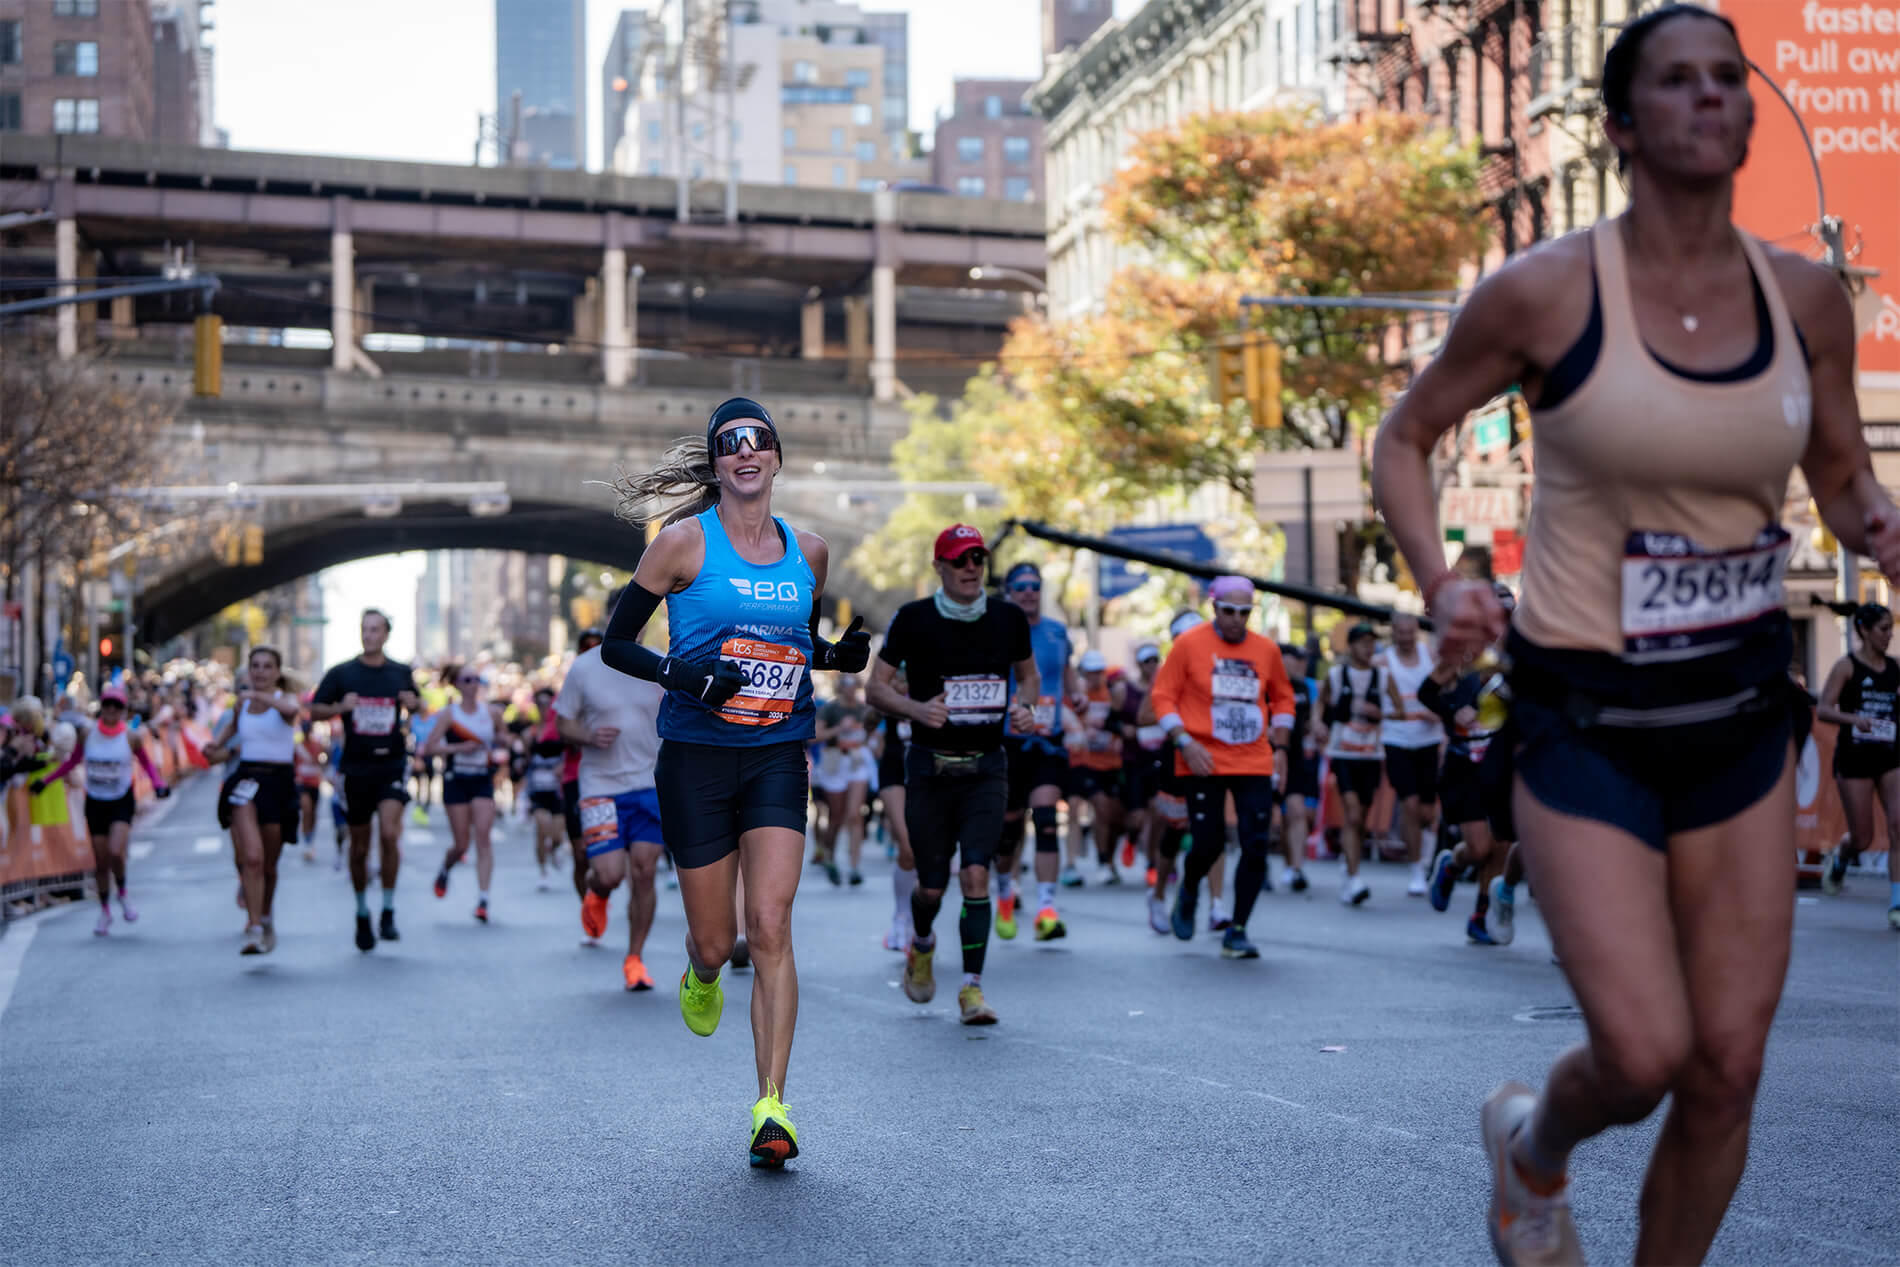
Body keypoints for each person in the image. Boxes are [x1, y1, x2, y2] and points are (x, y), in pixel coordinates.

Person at [1370, 8, 1900, 1261]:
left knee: (1723, 1068)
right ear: (1618, 125)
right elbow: (1403, 436)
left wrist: (1878, 522)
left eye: (1728, 78)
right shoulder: (1545, 291)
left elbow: (1836, 471)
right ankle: (1533, 1148)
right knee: (1647, 1052)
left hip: (1734, 715)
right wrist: (1443, 577)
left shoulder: (1807, 297)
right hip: (1583, 720)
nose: (1711, 98)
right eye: (1676, 81)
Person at [600, 397, 870, 1168]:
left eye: (759, 442)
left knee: (774, 926)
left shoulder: (808, 551)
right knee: (720, 942)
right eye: (731, 444)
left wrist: (836, 659)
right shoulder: (681, 544)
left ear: (778, 457)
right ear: (717, 463)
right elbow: (618, 645)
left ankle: (771, 1107)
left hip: (780, 750)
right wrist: (685, 674)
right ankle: (700, 968)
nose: (746, 453)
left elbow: (787, 643)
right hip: (697, 758)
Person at [868, 523, 1038, 1025]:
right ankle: (921, 943)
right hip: (929, 769)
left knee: (977, 873)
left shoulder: (1008, 618)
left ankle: (971, 988)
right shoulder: (914, 619)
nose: (971, 569)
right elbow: (875, 690)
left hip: (987, 768)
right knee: (932, 886)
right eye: (960, 560)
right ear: (939, 566)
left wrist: (1026, 706)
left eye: (978, 560)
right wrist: (917, 711)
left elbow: (1027, 676)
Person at [1150, 577, 1296, 960]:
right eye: (1228, 611)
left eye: (1244, 613)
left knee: (1257, 843)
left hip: (1253, 758)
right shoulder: (1188, 644)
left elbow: (1283, 698)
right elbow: (1163, 697)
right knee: (1209, 842)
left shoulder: (1265, 650)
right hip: (1202, 758)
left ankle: (1238, 928)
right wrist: (1184, 741)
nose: (1236, 620)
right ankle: (1189, 887)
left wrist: (1281, 745)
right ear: (1214, 608)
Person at [556, 632, 667, 991]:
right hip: (600, 787)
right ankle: (597, 892)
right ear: (612, 618)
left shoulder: (658, 662)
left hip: (649, 784)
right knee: (609, 874)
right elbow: (563, 722)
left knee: (645, 871)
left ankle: (635, 960)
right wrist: (588, 737)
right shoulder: (586, 666)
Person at [311, 609, 422, 953]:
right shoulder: (342, 673)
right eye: (364, 629)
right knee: (359, 847)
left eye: (375, 630)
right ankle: (362, 913)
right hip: (356, 768)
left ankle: (387, 910)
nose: (369, 635)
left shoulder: (400, 672)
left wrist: (413, 702)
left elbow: (418, 705)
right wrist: (339, 708)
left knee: (389, 834)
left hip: (391, 763)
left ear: (386, 635)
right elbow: (315, 710)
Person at [1420, 586, 1518, 946]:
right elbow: (1425, 693)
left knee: (1501, 845)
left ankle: (1480, 914)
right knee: (1478, 849)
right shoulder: (1462, 655)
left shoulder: (1518, 658)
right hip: (1464, 764)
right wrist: (1452, 711)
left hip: (1501, 761)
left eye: (1508, 616)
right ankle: (1453, 864)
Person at [31, 684, 170, 936]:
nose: (111, 711)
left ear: (123, 711)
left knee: (117, 852)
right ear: (101, 708)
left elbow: (147, 764)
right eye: (107, 705)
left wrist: (159, 785)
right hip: (95, 800)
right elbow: (72, 762)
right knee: (101, 860)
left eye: (117, 706)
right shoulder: (87, 734)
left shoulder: (131, 736)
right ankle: (105, 910)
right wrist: (46, 781)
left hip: (121, 799)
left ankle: (124, 894)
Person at [993, 561, 1080, 942]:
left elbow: (1065, 672)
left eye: (1034, 586)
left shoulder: (1058, 632)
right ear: (1009, 592)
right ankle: (1005, 894)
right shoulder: (1000, 629)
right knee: (1009, 826)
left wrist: (1076, 695)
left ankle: (1046, 908)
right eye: (1021, 587)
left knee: (1046, 819)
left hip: (1048, 740)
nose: (1029, 592)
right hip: (1009, 740)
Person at [203, 648, 301, 954]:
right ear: (248, 670)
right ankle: (255, 926)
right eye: (255, 666)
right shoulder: (241, 706)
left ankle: (267, 915)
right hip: (246, 779)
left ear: (277, 671)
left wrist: (258, 697)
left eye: (267, 667)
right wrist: (213, 747)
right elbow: (224, 739)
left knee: (270, 865)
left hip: (279, 782)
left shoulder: (285, 701)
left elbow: (289, 712)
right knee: (253, 858)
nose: (260, 672)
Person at [1816, 603, 1900, 928]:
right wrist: (1855, 720)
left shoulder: (1894, 668)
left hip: (1890, 754)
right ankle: (1841, 859)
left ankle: (1896, 903)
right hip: (1855, 756)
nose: (1889, 635)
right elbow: (1823, 709)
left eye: (1891, 628)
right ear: (1864, 630)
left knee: (1897, 826)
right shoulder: (1846, 666)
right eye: (1883, 629)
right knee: (1863, 838)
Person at [424, 665, 500, 924]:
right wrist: (459, 748)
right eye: (466, 680)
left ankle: (483, 899)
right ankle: (446, 868)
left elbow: (504, 738)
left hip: (481, 779)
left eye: (475, 679)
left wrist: (506, 748)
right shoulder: (449, 714)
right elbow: (429, 748)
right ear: (457, 684)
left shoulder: (490, 712)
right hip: (456, 780)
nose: (472, 684)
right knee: (462, 844)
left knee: (483, 837)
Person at [1315, 624, 1385, 906]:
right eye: (1363, 643)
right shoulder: (1335, 674)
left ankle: (1348, 863)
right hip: (1343, 752)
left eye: (1372, 643)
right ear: (1351, 645)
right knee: (1353, 814)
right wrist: (1319, 722)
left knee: (1362, 818)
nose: (1368, 649)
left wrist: (1378, 712)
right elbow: (1319, 704)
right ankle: (1354, 879)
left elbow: (1399, 712)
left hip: (1371, 754)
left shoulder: (1382, 677)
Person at [1379, 612, 1444, 896]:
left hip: (1428, 740)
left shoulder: (1430, 655)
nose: (1404, 637)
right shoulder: (1383, 661)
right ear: (1392, 632)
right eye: (1399, 632)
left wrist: (1439, 712)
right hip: (1396, 739)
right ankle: (1416, 868)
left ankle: (1428, 860)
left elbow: (1447, 689)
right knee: (1410, 803)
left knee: (1428, 811)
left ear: (1416, 631)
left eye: (1409, 632)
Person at [1066, 649, 1125, 886]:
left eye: (1099, 671)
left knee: (1110, 814)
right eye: (1090, 672)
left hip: (1110, 763)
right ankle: (1080, 863)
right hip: (1083, 762)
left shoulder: (1111, 694)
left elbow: (1121, 721)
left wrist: (1116, 731)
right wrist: (1081, 728)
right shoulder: (1076, 693)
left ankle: (1107, 860)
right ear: (1083, 672)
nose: (1095, 676)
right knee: (1077, 808)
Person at [812, 676, 874, 886]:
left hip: (857, 761)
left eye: (853, 685)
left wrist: (869, 740)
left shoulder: (864, 710)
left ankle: (854, 867)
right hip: (834, 761)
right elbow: (814, 736)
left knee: (855, 815)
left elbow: (872, 734)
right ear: (840, 687)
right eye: (845, 685)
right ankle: (830, 857)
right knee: (836, 817)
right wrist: (840, 729)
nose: (849, 689)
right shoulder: (830, 709)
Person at [559, 627, 607, 898]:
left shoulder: (617, 681)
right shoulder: (574, 681)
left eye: (597, 645)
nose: (592, 650)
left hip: (608, 780)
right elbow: (559, 730)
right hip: (575, 778)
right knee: (580, 854)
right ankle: (587, 905)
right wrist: (586, 735)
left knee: (607, 858)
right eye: (585, 646)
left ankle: (600, 896)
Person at [872, 669, 917, 952]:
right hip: (894, 772)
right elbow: (867, 725)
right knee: (908, 846)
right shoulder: (885, 699)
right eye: (897, 678)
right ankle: (901, 917)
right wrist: (877, 706)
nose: (902, 684)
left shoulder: (930, 693)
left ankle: (917, 919)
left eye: (907, 678)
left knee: (929, 853)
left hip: (927, 773)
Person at [1275, 643, 1318, 893]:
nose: (1297, 664)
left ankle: (1296, 869)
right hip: (1266, 758)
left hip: (1296, 758)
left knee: (1297, 812)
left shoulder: (1303, 688)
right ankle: (1267, 865)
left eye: (1298, 659)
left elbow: (1310, 721)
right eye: (1292, 659)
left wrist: (1316, 727)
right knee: (1272, 818)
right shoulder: (1264, 685)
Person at [522, 687, 568, 891]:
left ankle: (553, 850)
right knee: (542, 829)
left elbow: (571, 755)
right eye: (539, 703)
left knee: (557, 835)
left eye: (547, 703)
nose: (543, 707)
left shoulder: (561, 730)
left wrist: (563, 767)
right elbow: (525, 761)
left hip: (557, 791)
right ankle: (543, 872)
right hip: (537, 790)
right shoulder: (529, 733)